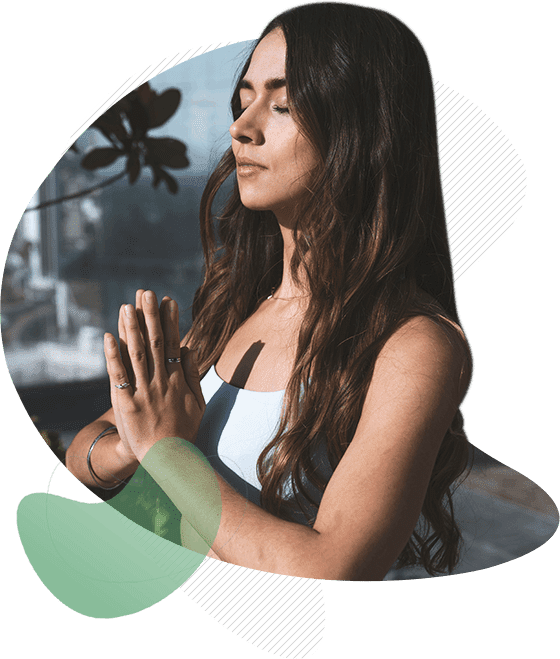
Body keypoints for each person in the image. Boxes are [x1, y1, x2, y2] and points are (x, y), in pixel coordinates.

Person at [66, 2, 473, 581]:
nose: (242, 126)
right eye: (244, 100)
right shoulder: (234, 305)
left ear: (365, 130)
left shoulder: (412, 347)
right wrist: (131, 445)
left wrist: (166, 454)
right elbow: (91, 445)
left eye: (282, 104)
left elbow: (335, 570)